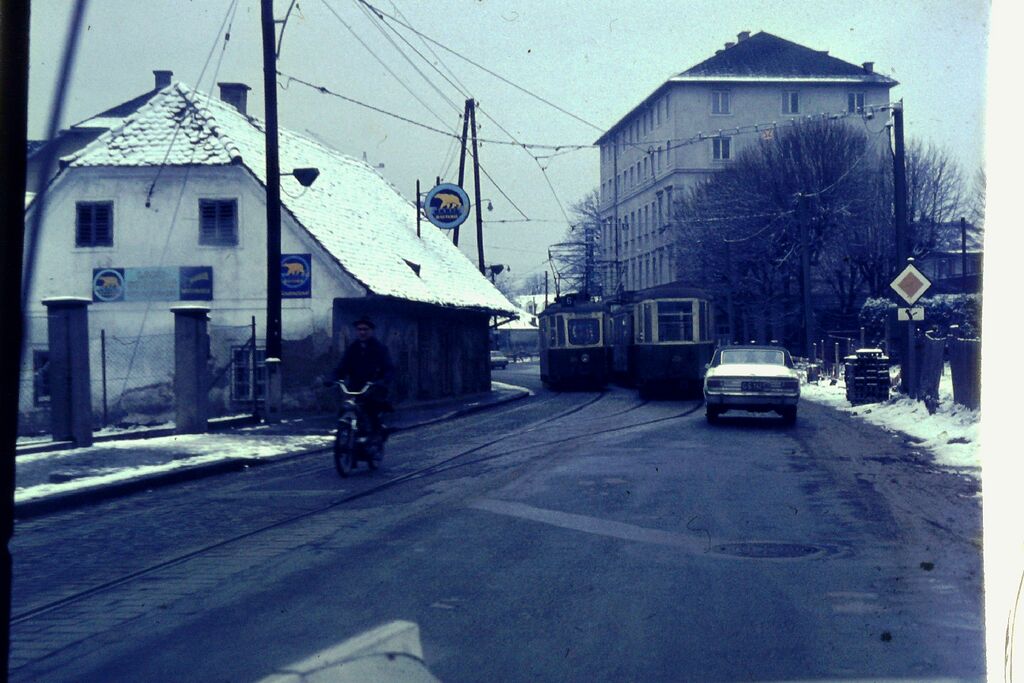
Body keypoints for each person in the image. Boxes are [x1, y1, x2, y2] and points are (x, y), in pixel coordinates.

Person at [328, 316, 395, 436]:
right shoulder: (353, 349)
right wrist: (333, 378)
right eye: (359, 329)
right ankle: (344, 434)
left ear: (371, 331)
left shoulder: (380, 349)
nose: (362, 332)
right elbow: (342, 366)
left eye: (365, 329)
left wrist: (383, 380)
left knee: (372, 410)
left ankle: (375, 436)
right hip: (355, 388)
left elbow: (388, 368)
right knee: (346, 408)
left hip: (374, 388)